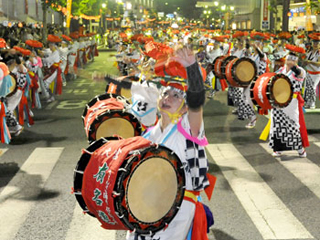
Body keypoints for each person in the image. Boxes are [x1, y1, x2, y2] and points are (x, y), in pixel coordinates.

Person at [126, 47, 214, 240]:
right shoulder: (151, 133)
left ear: (185, 107)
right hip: (147, 202)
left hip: (178, 206)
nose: (168, 98)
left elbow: (196, 100)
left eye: (176, 96)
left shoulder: (190, 129)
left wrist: (192, 68)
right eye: (166, 93)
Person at [269, 52, 309, 158]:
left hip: (291, 102)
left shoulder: (300, 71)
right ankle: (278, 149)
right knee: (277, 124)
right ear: (286, 60)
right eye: (289, 59)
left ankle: (300, 150)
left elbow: (299, 73)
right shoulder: (280, 70)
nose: (290, 62)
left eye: (293, 60)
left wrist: (294, 68)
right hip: (278, 101)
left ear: (296, 61)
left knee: (293, 125)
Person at [303, 35, 320, 109]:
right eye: (314, 43)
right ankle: (308, 103)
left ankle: (312, 103)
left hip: (316, 74)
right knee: (307, 87)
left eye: (317, 43)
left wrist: (310, 62)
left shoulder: (319, 53)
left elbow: (319, 63)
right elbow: (305, 61)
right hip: (309, 72)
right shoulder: (309, 51)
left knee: (312, 88)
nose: (315, 44)